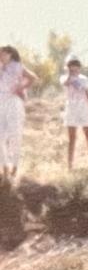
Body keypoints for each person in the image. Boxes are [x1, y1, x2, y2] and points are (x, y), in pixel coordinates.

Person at [0, 47, 37, 178]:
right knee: (0, 137)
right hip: (1, 103)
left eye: (3, 53)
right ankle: (4, 166)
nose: (1, 56)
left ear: (10, 54)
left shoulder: (17, 66)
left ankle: (14, 167)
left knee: (15, 135)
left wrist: (21, 87)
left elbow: (33, 77)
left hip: (14, 102)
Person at [60, 57, 88, 169]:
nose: (75, 71)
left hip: (84, 108)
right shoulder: (64, 78)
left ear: (79, 68)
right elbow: (66, 83)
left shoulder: (84, 79)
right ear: (68, 69)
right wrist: (69, 74)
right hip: (71, 109)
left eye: (76, 68)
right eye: (72, 68)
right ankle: (70, 166)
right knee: (72, 139)